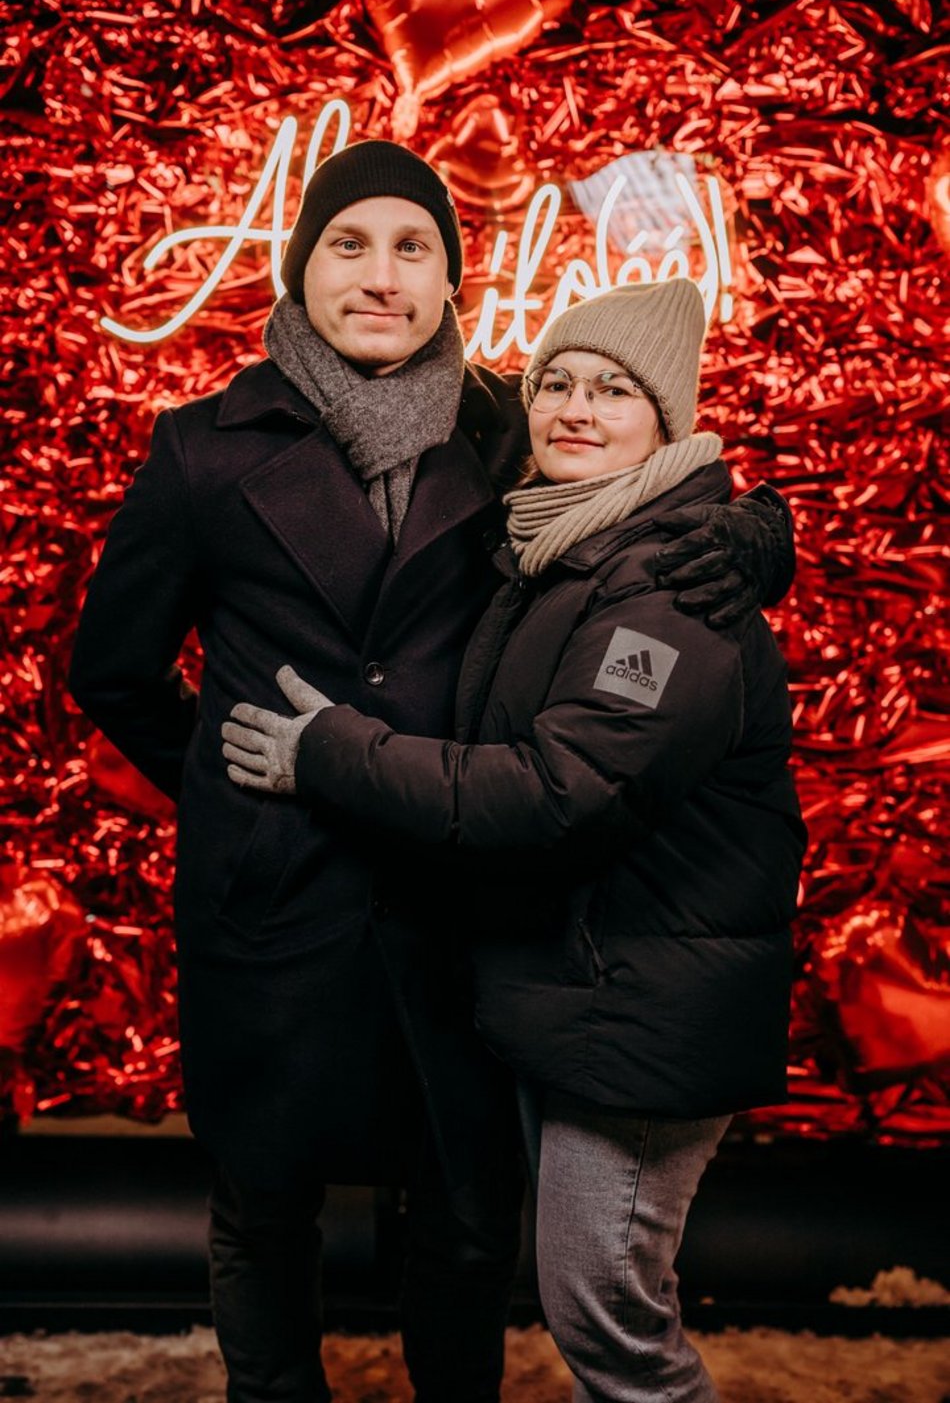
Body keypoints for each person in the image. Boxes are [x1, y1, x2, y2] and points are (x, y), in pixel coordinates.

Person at [70, 136, 795, 1403]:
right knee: (263, 1203)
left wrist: (750, 534)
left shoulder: (503, 420)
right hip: (275, 890)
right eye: (350, 243)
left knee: (462, 1216)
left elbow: (646, 471)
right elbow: (114, 667)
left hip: (456, 887)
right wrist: (225, 780)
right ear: (301, 265)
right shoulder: (202, 449)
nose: (381, 275)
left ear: (451, 280)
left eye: (415, 248)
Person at [222, 278, 806, 1403]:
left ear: (669, 422)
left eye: (615, 390)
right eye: (559, 383)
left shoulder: (667, 588)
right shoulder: (563, 537)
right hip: (586, 991)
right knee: (601, 1307)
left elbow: (558, 790)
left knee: (610, 1328)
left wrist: (329, 752)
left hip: (642, 1010)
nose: (576, 409)